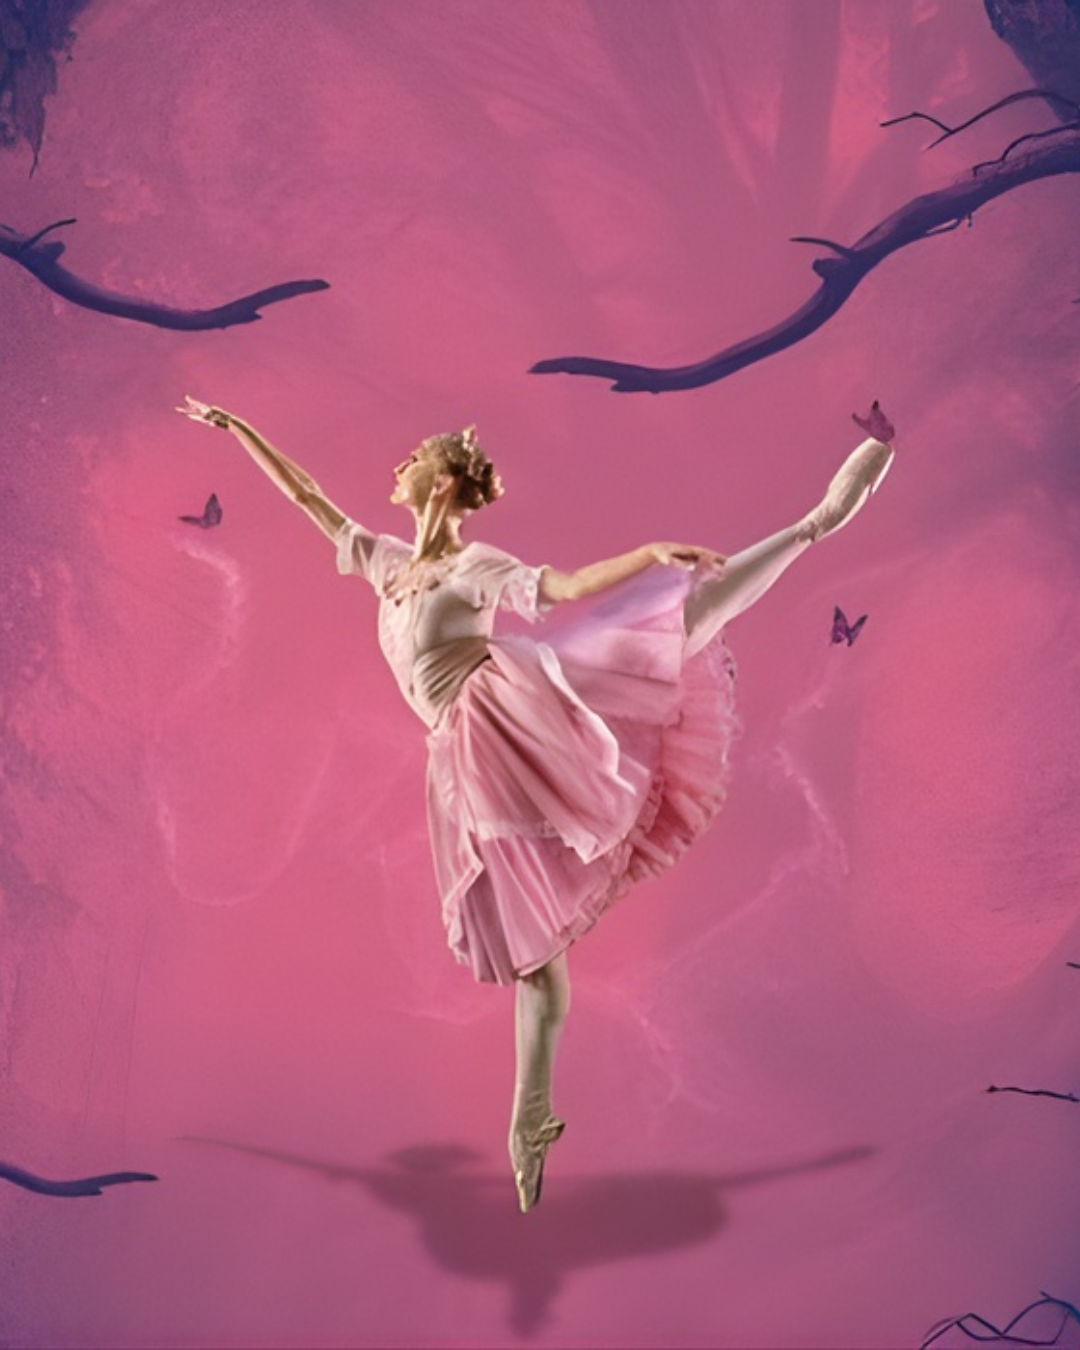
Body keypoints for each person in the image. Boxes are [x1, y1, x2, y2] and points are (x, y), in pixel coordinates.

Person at [176, 395, 895, 1212]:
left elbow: (566, 584)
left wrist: (647, 553)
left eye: (414, 456)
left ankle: (819, 518)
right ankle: (530, 1119)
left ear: (442, 480)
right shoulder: (385, 562)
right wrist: (238, 429)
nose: (397, 465)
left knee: (663, 631)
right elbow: (307, 496)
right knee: (532, 952)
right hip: (470, 754)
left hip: (513, 715)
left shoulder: (475, 568)